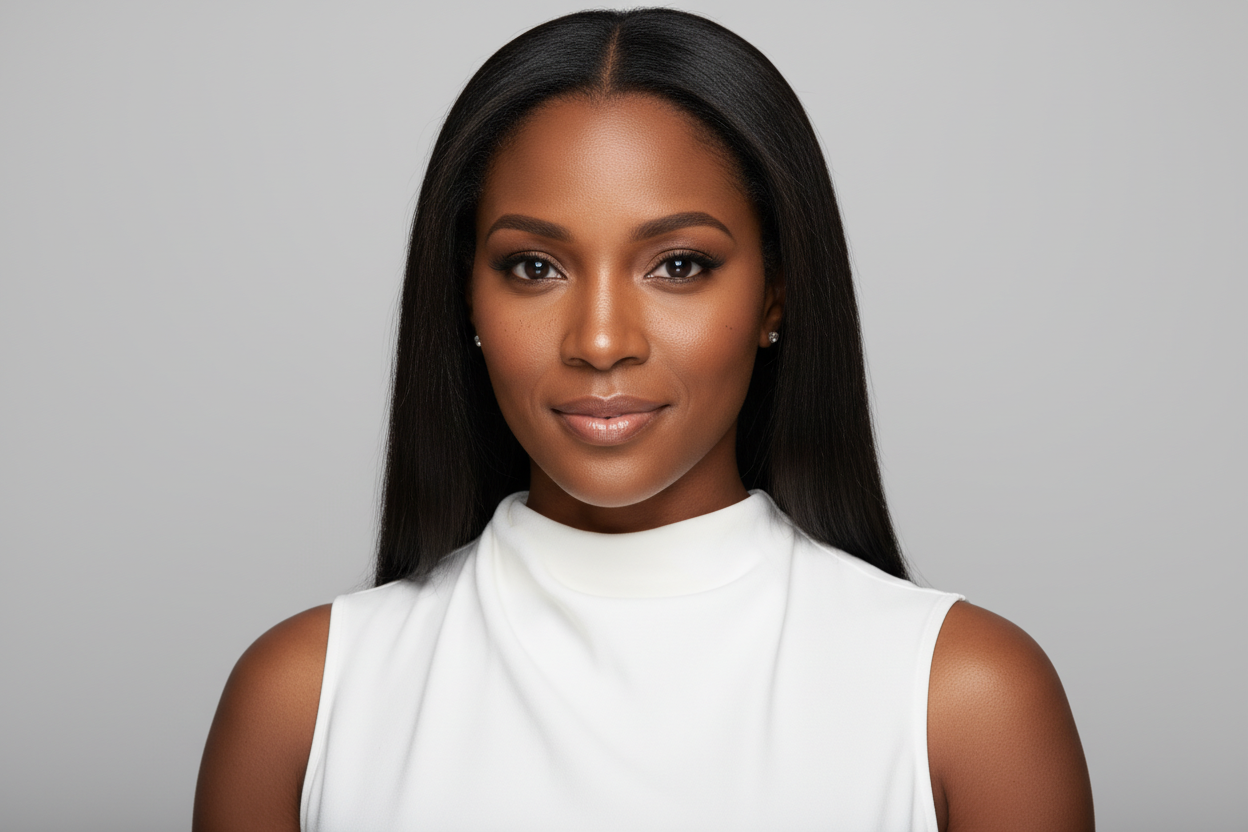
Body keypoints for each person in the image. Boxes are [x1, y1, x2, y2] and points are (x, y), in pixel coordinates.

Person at [194, 9, 1094, 831]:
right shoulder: (303, 702)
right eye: (535, 267)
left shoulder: (964, 701)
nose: (599, 340)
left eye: (679, 265)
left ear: (777, 291)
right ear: (464, 293)